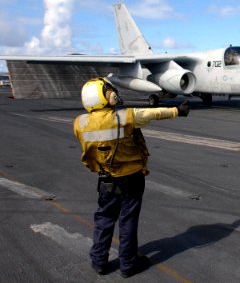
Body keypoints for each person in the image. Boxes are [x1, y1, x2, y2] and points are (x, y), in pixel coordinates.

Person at [73, 77, 190, 278]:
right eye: (109, 90)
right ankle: (128, 265)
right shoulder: (126, 117)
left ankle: (99, 261)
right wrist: (178, 111)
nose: (113, 93)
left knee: (104, 218)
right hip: (131, 178)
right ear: (105, 96)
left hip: (106, 178)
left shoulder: (80, 123)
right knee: (128, 220)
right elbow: (154, 113)